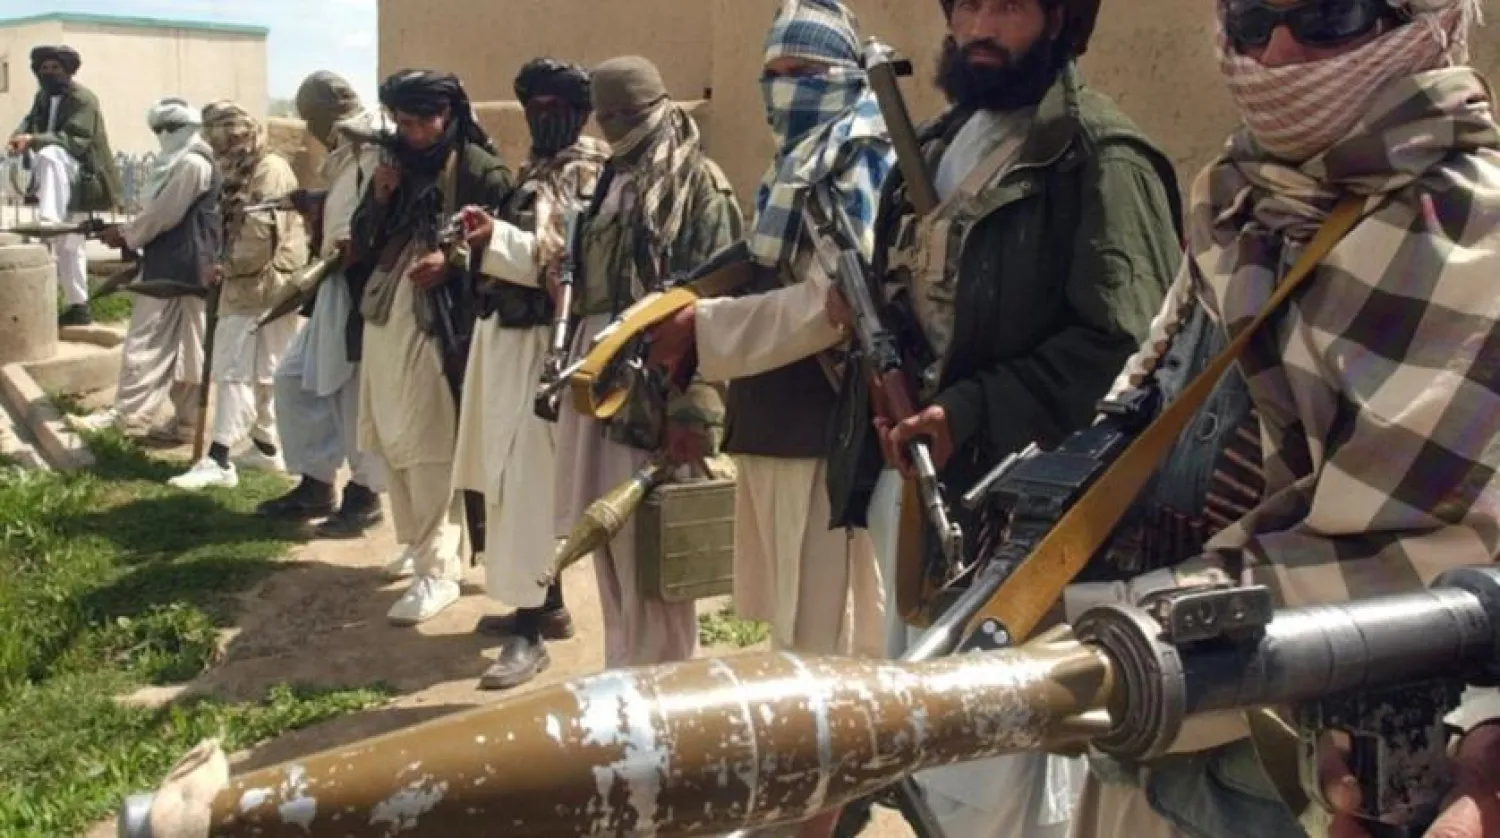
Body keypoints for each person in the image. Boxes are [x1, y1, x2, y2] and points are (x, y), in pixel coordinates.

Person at [1061, 1, 1500, 836]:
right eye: (1254, 20)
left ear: (1424, 23)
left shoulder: (1474, 232)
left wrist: (1079, 648)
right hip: (1154, 743)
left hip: (1312, 767)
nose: (1281, 54)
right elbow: (1146, 407)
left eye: (1329, 15)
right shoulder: (1234, 205)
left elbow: (1398, 566)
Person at [822, 0, 1184, 836]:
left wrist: (974, 406)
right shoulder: (943, 144)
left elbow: (1127, 349)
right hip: (919, 495)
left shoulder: (1100, 158)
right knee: (925, 731)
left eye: (1011, 5)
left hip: (1024, 519)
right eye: (967, 4)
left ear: (1061, 21)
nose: (981, 26)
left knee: (998, 763)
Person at [646, 0, 891, 662]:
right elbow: (759, 263)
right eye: (773, 72)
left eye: (803, 72)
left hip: (826, 428)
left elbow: (838, 303)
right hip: (776, 419)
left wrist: (705, 329)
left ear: (843, 74)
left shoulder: (860, 156)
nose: (784, 88)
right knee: (792, 619)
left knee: (826, 628)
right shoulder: (796, 166)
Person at [557, 56, 742, 669]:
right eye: (604, 115)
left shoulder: (698, 187)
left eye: (627, 114)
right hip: (601, 390)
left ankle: (664, 700)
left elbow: (717, 306)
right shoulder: (609, 182)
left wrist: (695, 415)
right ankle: (625, 680)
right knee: (608, 550)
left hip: (657, 394)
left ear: (659, 105)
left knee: (653, 565)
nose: (615, 126)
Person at [453, 58, 610, 690]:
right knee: (499, 473)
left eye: (555, 106)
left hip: (546, 342)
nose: (543, 117)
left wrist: (499, 239)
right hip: (503, 340)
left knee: (526, 484)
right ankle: (548, 604)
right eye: (533, 106)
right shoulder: (538, 171)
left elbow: (569, 263)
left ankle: (529, 629)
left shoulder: (588, 171)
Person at [348, 69, 512, 626]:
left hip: (441, 330)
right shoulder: (393, 166)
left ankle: (439, 569)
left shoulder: (480, 172)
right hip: (386, 317)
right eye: (402, 121)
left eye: (421, 121)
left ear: (448, 117)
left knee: (428, 444)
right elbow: (362, 243)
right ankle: (418, 546)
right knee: (392, 439)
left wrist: (455, 262)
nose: (411, 131)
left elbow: (516, 248)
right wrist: (381, 196)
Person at [257, 72, 389, 542]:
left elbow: (380, 208)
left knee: (352, 392)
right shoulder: (345, 145)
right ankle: (316, 485)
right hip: (332, 282)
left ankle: (366, 493)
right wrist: (318, 203)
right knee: (296, 379)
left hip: (363, 284)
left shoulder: (371, 139)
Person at [168, 101, 307, 490]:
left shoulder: (269, 170)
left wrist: (225, 267)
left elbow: (261, 231)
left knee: (234, 368)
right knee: (262, 368)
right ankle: (265, 446)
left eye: (229, 133)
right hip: (256, 284)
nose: (225, 143)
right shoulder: (237, 169)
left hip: (262, 283)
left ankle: (219, 457)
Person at [69, 99, 219, 443]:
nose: (161, 137)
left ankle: (128, 417)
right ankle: (182, 426)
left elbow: (163, 215)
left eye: (164, 130)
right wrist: (128, 232)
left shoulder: (191, 164)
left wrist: (127, 234)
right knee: (186, 349)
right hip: (187, 265)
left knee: (148, 341)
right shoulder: (184, 160)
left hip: (176, 269)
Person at [7, 45, 121, 327]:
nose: (49, 73)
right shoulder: (43, 97)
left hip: (82, 178)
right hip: (58, 181)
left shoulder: (84, 100)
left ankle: (50, 218)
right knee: (67, 248)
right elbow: (29, 122)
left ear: (68, 70)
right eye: (44, 69)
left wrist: (33, 141)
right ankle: (77, 306)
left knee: (49, 153)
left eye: (55, 68)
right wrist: (17, 138)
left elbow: (75, 141)